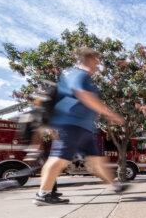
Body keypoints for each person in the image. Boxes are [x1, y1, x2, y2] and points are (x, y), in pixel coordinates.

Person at [34, 47, 125, 205]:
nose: (98, 64)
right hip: (70, 124)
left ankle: (116, 185)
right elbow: (84, 95)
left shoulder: (81, 76)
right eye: (97, 60)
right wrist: (110, 113)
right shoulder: (78, 74)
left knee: (96, 161)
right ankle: (43, 194)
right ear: (89, 59)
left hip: (85, 128)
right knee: (59, 158)